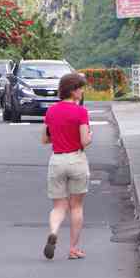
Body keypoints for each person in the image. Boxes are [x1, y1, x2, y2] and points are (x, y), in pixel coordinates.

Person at [41, 72, 92, 260]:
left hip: (57, 160)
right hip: (76, 160)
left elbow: (45, 139)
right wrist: (90, 137)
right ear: (74, 90)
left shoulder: (51, 111)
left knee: (58, 206)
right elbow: (84, 140)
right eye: (81, 88)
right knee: (76, 206)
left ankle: (54, 231)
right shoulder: (81, 112)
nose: (82, 91)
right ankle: (73, 248)